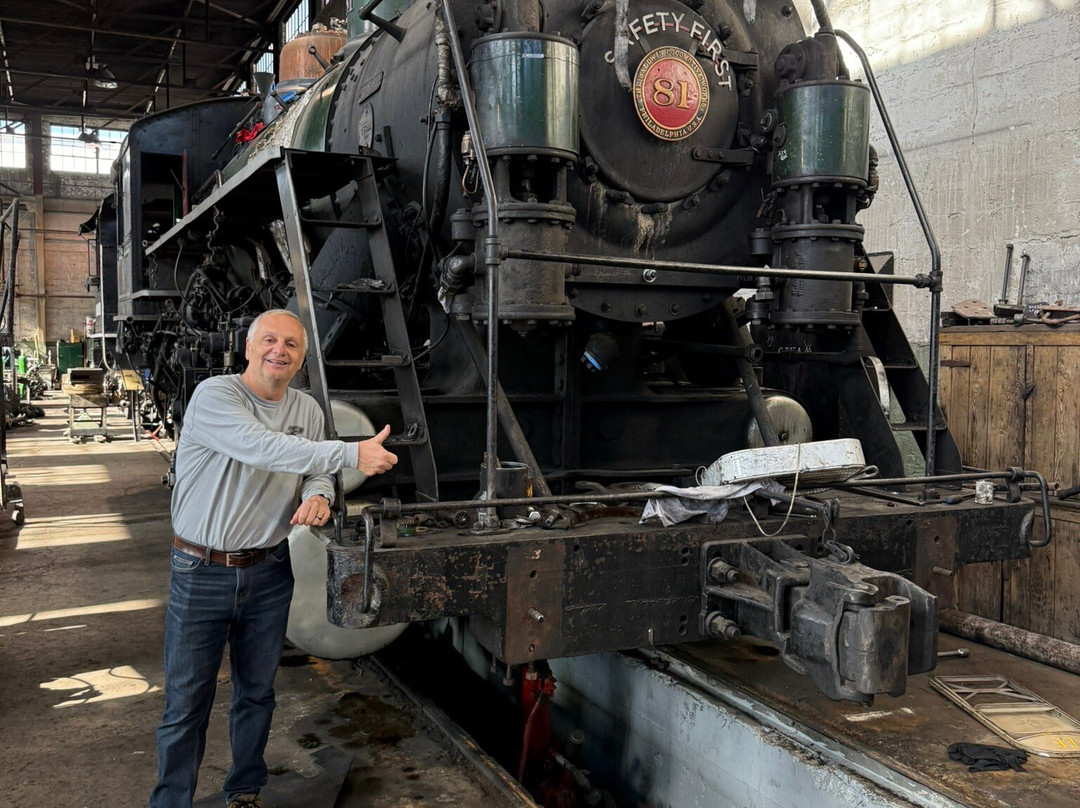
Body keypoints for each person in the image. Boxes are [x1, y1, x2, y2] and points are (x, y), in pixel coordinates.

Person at [148, 309, 398, 808]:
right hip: (202, 571)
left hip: (267, 570)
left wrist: (322, 494)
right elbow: (261, 448)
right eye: (268, 340)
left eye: (291, 344)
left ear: (302, 358)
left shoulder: (306, 410)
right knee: (186, 706)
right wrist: (348, 455)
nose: (278, 351)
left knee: (257, 694)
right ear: (247, 347)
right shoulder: (216, 396)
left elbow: (312, 471)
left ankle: (244, 792)